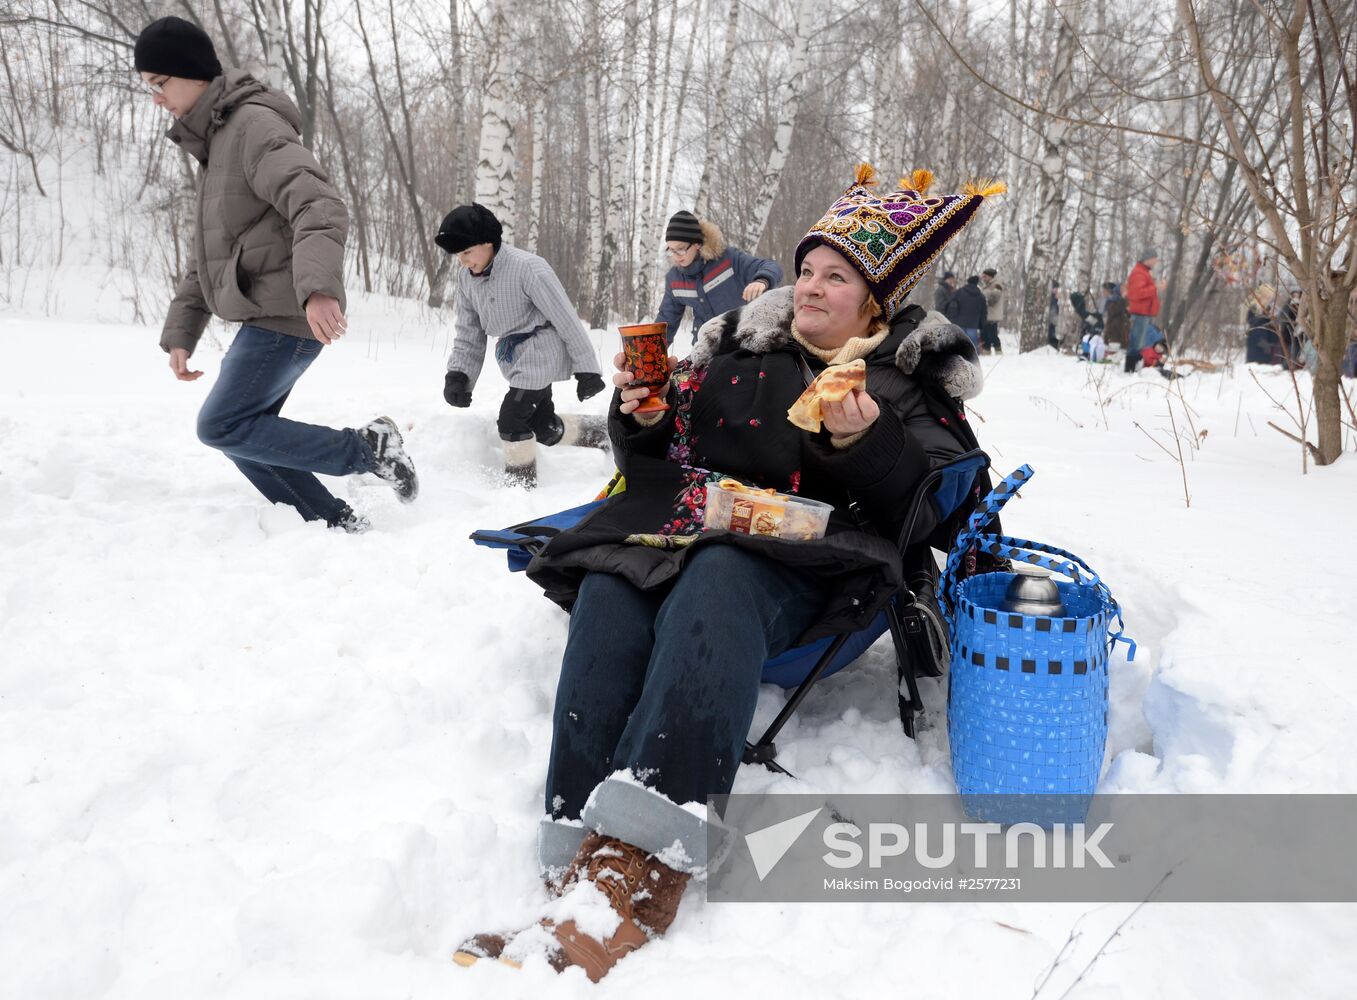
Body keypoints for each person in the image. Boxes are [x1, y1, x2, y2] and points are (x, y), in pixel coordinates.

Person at [452, 165, 1002, 981]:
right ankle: (574, 867)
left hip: (821, 576)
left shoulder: (905, 376)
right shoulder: (740, 348)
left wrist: (865, 441)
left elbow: (943, 512)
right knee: (607, 581)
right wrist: (639, 419)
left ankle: (642, 875)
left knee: (717, 574)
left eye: (835, 277)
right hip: (691, 534)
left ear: (873, 298)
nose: (811, 288)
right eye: (806, 270)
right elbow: (665, 456)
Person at [135, 16, 417, 533]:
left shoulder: (252, 126)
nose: (156, 97)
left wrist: (318, 289)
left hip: (286, 312)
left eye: (159, 83)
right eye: (148, 87)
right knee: (247, 433)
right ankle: (332, 521)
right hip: (266, 312)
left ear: (193, 74)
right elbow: (208, 257)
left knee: (222, 424)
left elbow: (319, 204)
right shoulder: (216, 144)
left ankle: (369, 448)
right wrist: (182, 333)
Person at [437, 204, 607, 487]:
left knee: (512, 420)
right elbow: (469, 331)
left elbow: (565, 318)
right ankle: (603, 432)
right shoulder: (466, 279)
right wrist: (459, 376)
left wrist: (587, 369)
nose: (462, 261)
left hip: (542, 350)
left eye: (466, 252)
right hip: (515, 359)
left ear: (488, 243)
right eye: (458, 255)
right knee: (543, 428)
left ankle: (520, 489)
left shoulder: (527, 267)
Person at [653, 210, 783, 347]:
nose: (676, 255)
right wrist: (650, 352)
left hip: (740, 343)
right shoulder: (675, 279)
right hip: (705, 349)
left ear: (697, 243)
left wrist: (762, 280)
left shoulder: (728, 260)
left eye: (681, 249)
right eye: (671, 250)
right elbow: (666, 321)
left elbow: (772, 266)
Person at [1124, 248, 1163, 372]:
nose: (1156, 261)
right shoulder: (1139, 273)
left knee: (1139, 342)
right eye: (1154, 258)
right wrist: (1156, 288)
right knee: (1136, 341)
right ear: (1148, 259)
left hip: (1144, 313)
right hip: (1140, 313)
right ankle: (1129, 369)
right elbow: (1137, 293)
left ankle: (1132, 369)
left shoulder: (1144, 272)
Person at [945, 274, 988, 348]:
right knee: (972, 343)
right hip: (973, 324)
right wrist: (982, 325)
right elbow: (984, 312)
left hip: (959, 321)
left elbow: (949, 303)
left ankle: (960, 356)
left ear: (968, 282)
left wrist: (950, 316)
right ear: (977, 283)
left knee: (959, 342)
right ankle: (973, 357)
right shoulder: (981, 296)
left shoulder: (959, 292)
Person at [1101, 281, 1131, 353]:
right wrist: (1123, 300)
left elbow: (1129, 315)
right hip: (1113, 333)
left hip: (1124, 334)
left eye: (1125, 289)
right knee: (1112, 355)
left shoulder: (1127, 301)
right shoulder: (1111, 300)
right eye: (1122, 289)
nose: (1124, 291)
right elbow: (1112, 311)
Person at [980, 268, 1004, 354]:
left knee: (993, 335)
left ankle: (998, 352)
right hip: (988, 315)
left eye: (985, 276)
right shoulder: (988, 285)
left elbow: (994, 298)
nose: (983, 278)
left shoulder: (996, 285)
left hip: (993, 315)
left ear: (990, 276)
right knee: (986, 334)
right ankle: (987, 352)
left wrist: (985, 300)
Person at [1048, 279, 1062, 349]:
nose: (1056, 290)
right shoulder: (1051, 298)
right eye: (1055, 288)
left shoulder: (1055, 298)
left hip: (1052, 322)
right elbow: (1052, 310)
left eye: (1057, 289)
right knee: (1051, 336)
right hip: (1050, 322)